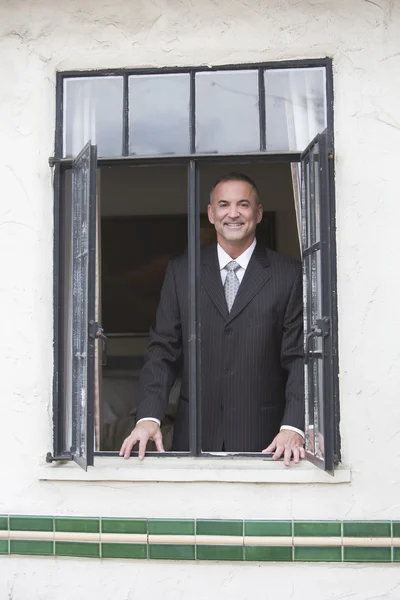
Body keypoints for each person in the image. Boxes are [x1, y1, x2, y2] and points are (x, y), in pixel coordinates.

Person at [120, 173, 305, 466]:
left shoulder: (289, 274)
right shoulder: (182, 272)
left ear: (257, 213)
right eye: (224, 205)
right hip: (194, 438)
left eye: (243, 205)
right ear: (211, 213)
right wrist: (148, 417)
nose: (233, 213)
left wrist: (293, 427)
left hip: (269, 443)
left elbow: (298, 357)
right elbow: (162, 352)